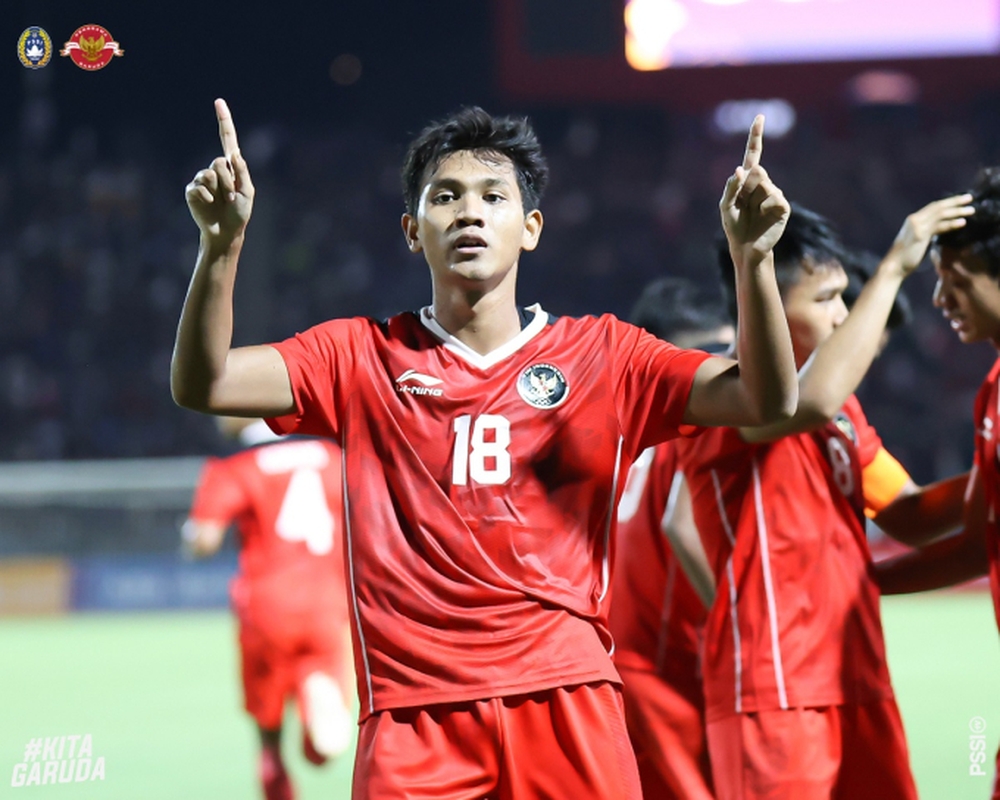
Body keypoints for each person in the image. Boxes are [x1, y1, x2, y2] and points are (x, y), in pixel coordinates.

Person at [171, 99, 799, 799]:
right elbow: (208, 382)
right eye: (446, 196)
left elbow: (765, 401)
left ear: (530, 228)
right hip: (415, 714)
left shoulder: (606, 355)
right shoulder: (357, 356)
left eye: (493, 196)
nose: (470, 212)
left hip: (567, 696)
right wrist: (220, 248)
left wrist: (755, 261)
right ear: (413, 231)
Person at [675, 197, 974, 800]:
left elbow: (910, 516)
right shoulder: (723, 394)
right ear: (767, 308)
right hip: (776, 687)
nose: (843, 314)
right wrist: (891, 268)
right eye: (825, 298)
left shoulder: (843, 412)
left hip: (857, 674)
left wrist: (989, 476)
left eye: (845, 295)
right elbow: (802, 402)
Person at [873, 168, 1000, 798]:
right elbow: (979, 542)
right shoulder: (992, 393)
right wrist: (856, 583)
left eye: (957, 282)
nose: (942, 300)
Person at [184, 417, 354, 800]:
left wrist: (190, 537)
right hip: (329, 600)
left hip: (267, 607)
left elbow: (204, 539)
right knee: (321, 727)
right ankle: (315, 712)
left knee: (269, 737)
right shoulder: (333, 456)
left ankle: (281, 760)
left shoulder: (234, 467)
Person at [610, 277, 733, 800]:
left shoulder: (615, 432)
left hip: (616, 667)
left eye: (727, 351)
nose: (719, 369)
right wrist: (744, 630)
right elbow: (680, 526)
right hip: (664, 675)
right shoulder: (692, 429)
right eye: (704, 352)